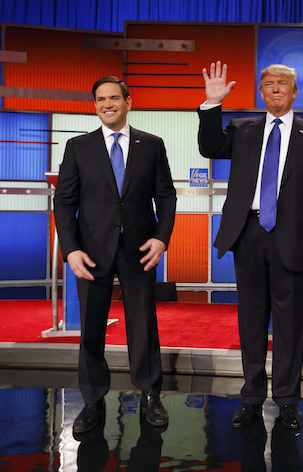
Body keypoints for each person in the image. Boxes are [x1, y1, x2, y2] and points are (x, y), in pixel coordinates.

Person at [197, 62, 303, 430]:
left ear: (294, 92)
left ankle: (288, 401)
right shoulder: (242, 129)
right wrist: (212, 105)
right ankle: (252, 398)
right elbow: (209, 147)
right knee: (251, 320)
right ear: (261, 91)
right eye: (268, 84)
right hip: (248, 233)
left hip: (293, 238)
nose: (275, 90)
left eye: (282, 84)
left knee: (290, 323)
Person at [54, 76, 176, 433]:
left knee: (143, 325)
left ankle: (151, 396)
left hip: (139, 248)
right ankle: (92, 401)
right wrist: (71, 249)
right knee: (91, 328)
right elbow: (64, 201)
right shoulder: (78, 147)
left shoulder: (151, 145)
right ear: (95, 105)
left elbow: (166, 197)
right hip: (91, 251)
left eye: (113, 98)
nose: (107, 104)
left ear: (128, 102)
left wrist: (161, 238)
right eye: (100, 99)